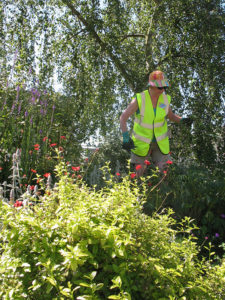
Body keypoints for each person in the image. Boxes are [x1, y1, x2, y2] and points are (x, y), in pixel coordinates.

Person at [120, 70, 192, 176]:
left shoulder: (165, 100)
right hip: (141, 143)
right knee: (138, 175)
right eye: (160, 87)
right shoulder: (140, 99)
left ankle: (163, 192)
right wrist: (126, 137)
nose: (163, 90)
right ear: (151, 86)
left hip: (160, 143)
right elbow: (123, 118)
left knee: (165, 172)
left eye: (165, 87)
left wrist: (182, 120)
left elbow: (171, 116)